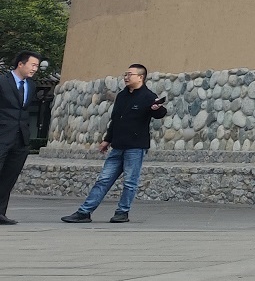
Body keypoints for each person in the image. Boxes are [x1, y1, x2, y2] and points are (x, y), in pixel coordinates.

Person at [62, 65, 165, 224]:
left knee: (130, 182)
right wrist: (107, 139)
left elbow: (159, 113)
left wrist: (156, 108)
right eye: (125, 74)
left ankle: (122, 212)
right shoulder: (122, 96)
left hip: (135, 147)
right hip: (117, 146)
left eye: (130, 74)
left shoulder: (148, 96)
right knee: (103, 180)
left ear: (140, 77)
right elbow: (116, 119)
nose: (126, 77)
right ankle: (84, 212)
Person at [1, 51, 44, 225]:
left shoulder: (31, 85)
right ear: (20, 64)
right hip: (2, 135)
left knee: (8, 177)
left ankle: (0, 213)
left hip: (20, 139)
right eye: (33, 65)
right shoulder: (2, 82)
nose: (35, 69)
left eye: (37, 66)